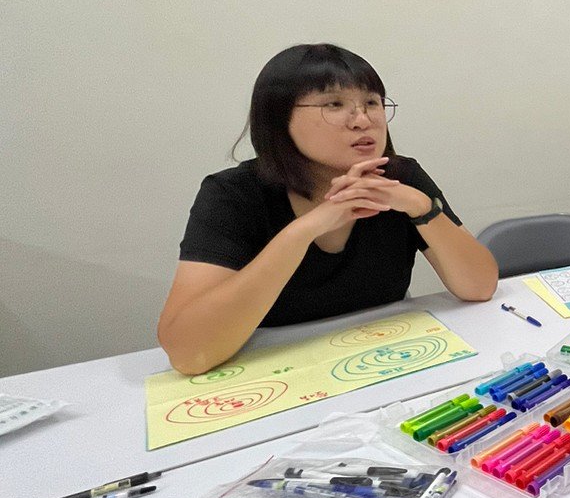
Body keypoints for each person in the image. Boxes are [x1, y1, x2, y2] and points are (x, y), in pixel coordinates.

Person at [158, 44, 498, 375]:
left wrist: (421, 207)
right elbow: (189, 354)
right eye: (334, 104)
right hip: (280, 370)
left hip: (385, 361)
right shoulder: (233, 193)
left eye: (372, 103)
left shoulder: (401, 178)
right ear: (279, 117)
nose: (363, 120)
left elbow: (480, 287)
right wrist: (305, 230)